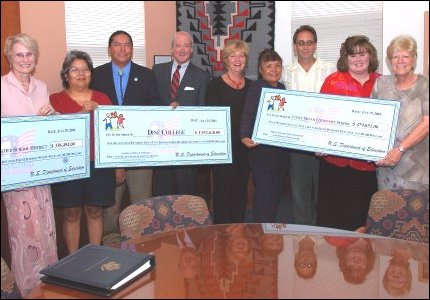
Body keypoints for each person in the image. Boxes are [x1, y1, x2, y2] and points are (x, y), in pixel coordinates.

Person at [1, 33, 58, 297]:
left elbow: (47, 128)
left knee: (45, 229)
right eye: (19, 54)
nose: (24, 59)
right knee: (24, 232)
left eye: (29, 54)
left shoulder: (42, 87)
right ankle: (28, 290)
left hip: (42, 171)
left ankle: (49, 284)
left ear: (35, 57)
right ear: (9, 57)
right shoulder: (1, 86)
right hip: (16, 174)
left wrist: (53, 116)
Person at [91, 30, 158, 238]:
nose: (122, 49)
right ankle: (111, 247)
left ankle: (141, 246)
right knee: (110, 207)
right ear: (109, 49)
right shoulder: (96, 75)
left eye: (127, 44)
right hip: (109, 153)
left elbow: (155, 108)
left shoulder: (147, 74)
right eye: (117, 44)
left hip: (140, 152)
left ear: (132, 49)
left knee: (141, 204)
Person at [50, 50, 116, 253]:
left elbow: (114, 134)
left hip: (99, 165)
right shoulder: (55, 100)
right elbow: (55, 135)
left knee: (95, 211)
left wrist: (118, 165)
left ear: (91, 73)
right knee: (71, 213)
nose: (80, 73)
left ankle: (95, 255)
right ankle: (73, 259)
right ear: (66, 74)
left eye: (85, 69)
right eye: (74, 69)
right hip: (68, 165)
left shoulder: (103, 98)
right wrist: (80, 114)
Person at [316, 35, 381, 231]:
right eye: (352, 55)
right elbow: (320, 116)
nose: (358, 59)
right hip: (334, 163)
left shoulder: (382, 83)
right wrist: (317, 142)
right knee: (332, 221)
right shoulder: (333, 81)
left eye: (362, 53)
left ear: (370, 55)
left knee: (361, 221)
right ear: (346, 58)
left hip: (366, 166)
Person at [284, 25, 336, 225]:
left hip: (324, 142)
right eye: (301, 43)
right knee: (299, 194)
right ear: (295, 46)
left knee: (323, 194)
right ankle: (303, 238)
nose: (305, 47)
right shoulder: (286, 72)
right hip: (297, 143)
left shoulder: (330, 69)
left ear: (316, 45)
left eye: (309, 43)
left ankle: (323, 237)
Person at [152, 31, 210, 196]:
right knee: (163, 196)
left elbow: (202, 111)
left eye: (186, 45)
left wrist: (182, 108)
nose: (182, 49)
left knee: (186, 196)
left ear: (192, 49)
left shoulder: (202, 76)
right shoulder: (157, 70)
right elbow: (152, 102)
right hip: (161, 144)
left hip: (186, 147)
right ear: (171, 48)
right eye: (178, 45)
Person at [371, 35, 429, 190]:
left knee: (414, 213)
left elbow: (427, 124)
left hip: (416, 169)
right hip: (386, 165)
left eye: (406, 56)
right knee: (386, 212)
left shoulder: (425, 85)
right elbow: (372, 121)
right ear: (390, 61)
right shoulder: (381, 84)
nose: (400, 60)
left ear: (414, 59)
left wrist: (400, 149)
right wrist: (373, 151)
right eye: (395, 57)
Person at [240, 49, 290, 222]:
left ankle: (270, 236)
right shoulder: (257, 87)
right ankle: (261, 234)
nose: (273, 70)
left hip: (280, 154)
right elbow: (248, 113)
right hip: (261, 154)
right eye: (268, 66)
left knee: (275, 196)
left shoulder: (283, 88)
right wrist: (245, 135)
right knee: (263, 197)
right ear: (261, 70)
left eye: (277, 66)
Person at [205, 39, 252, 224]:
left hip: (244, 149)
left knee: (240, 191)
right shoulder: (215, 85)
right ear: (225, 59)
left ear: (246, 60)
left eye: (241, 55)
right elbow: (210, 120)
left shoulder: (252, 86)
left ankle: (238, 231)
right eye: (233, 55)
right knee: (222, 192)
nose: (237, 59)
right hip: (223, 150)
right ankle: (222, 234)